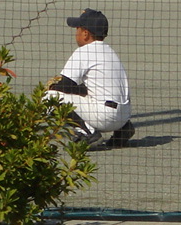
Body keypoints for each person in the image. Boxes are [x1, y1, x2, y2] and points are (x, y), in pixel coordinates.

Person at [46, 9, 135, 149]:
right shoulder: (110, 52)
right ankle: (123, 131)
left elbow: (65, 85)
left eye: (78, 28)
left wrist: (50, 87)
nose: (76, 32)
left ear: (85, 33)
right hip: (124, 116)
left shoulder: (84, 51)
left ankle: (88, 134)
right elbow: (86, 88)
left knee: (49, 97)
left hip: (105, 118)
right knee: (86, 92)